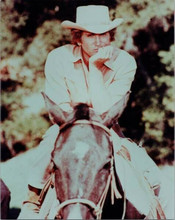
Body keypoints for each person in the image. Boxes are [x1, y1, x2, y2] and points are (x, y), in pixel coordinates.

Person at [18, 5, 173, 219]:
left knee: (158, 182)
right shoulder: (58, 58)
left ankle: (155, 212)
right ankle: (32, 204)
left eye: (104, 35)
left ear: (111, 35)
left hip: (109, 130)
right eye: (91, 35)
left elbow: (106, 112)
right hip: (67, 129)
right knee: (44, 158)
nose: (99, 41)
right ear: (78, 37)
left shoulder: (125, 62)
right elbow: (60, 109)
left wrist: (94, 69)